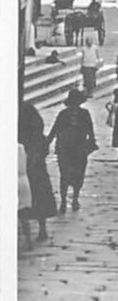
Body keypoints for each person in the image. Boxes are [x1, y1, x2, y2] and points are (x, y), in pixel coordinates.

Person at [47, 89, 98, 213]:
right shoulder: (83, 114)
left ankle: (67, 200)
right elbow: (90, 131)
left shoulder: (64, 114)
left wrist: (46, 143)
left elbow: (54, 131)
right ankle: (71, 199)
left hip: (68, 148)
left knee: (67, 174)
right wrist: (91, 143)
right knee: (75, 174)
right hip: (76, 149)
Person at [18, 102, 58, 242]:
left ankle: (42, 229)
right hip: (28, 160)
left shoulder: (26, 111)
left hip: (32, 161)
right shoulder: (26, 110)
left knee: (38, 195)